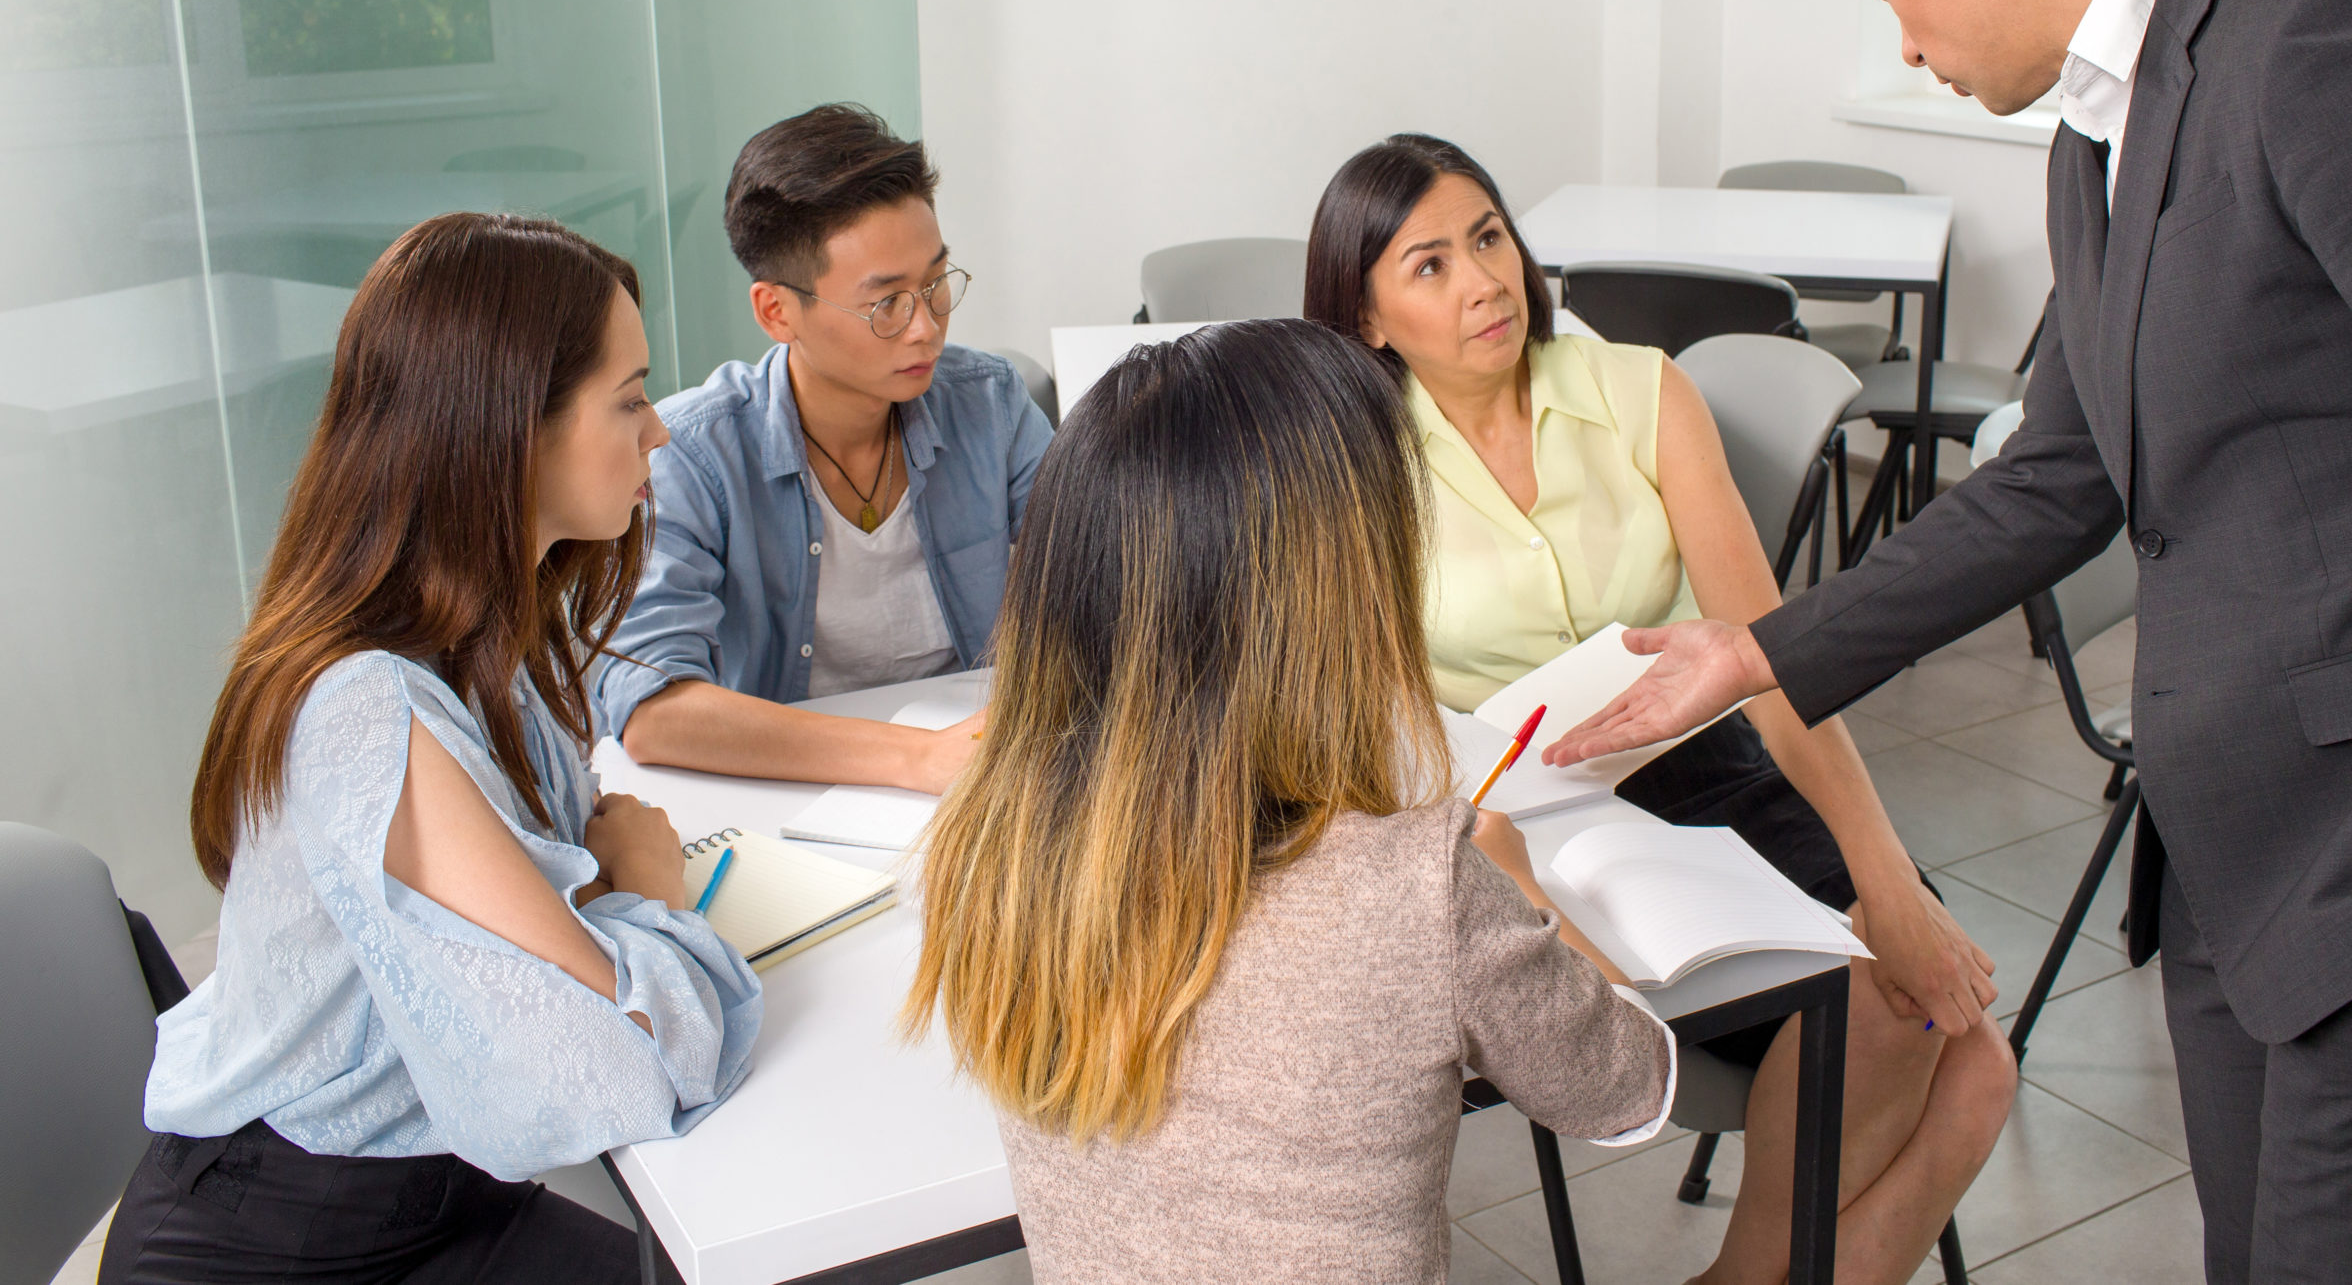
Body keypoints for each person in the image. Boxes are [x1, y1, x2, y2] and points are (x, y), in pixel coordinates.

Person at [1545, 0, 2352, 1285]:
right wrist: (1753, 652)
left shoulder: (2338, 35)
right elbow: (2065, 475)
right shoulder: (2110, 117)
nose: (1904, 44)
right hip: (2245, 871)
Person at [1305, 136, 2014, 1285]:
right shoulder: (1347, 460)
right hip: (1505, 820)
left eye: (1488, 237)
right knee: (1948, 1052)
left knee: (1969, 1053)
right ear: (1370, 317)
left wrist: (1884, 877)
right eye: (1429, 265)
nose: (1485, 280)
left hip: (1703, 768)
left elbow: (1769, 658)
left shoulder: (1639, 389)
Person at [904, 319, 1671, 1284]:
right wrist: (1521, 892)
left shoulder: (993, 839)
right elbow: (1629, 1088)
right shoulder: (1421, 885)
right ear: (1350, 595)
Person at [104, 214, 760, 1285]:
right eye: (631, 397)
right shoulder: (371, 710)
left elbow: (564, 940)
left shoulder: (484, 641)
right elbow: (610, 1066)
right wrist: (654, 896)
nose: (661, 434)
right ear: (510, 428)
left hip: (443, 1191)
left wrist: (605, 918)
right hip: (284, 1247)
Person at [596, 103, 1051, 787]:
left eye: (935, 284)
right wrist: (913, 758)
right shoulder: (694, 453)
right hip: (788, 791)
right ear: (777, 310)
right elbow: (654, 710)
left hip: (977, 772)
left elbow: (1109, 584)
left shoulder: (991, 402)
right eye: (886, 303)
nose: (926, 327)